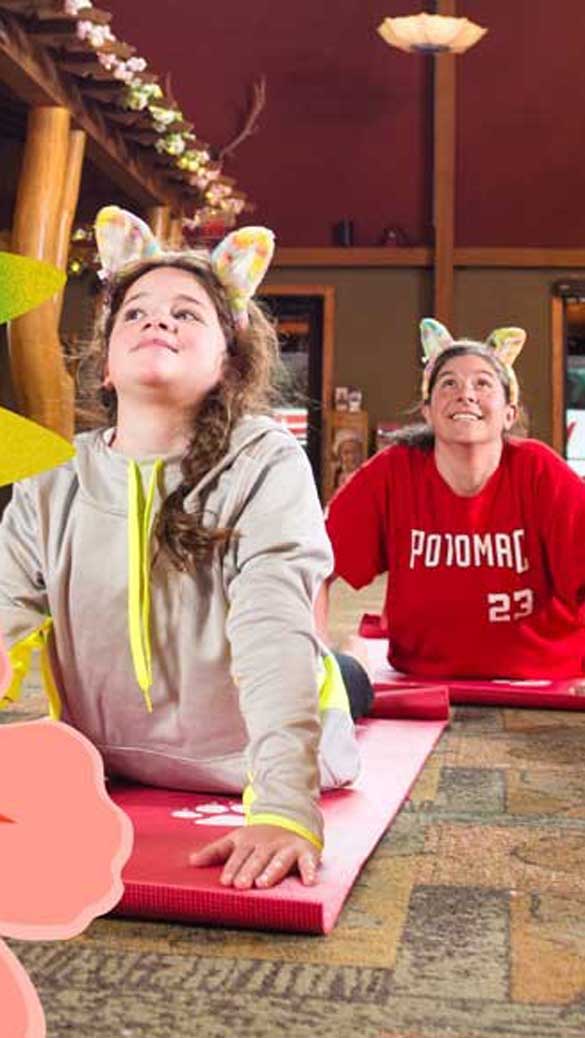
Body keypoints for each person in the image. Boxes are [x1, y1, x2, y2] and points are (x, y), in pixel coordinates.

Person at [0, 207, 361, 891]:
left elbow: (273, 629)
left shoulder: (265, 463)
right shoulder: (53, 479)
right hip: (109, 755)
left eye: (186, 314)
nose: (156, 321)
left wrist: (283, 807)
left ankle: (345, 679)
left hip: (241, 755)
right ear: (104, 366)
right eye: (134, 312)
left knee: (338, 677)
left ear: (228, 363)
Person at [320, 318, 585, 681]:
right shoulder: (393, 472)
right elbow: (312, 562)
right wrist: (311, 659)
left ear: (509, 413)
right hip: (420, 679)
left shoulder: (540, 471)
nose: (466, 394)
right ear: (428, 412)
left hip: (544, 680)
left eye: (482, 383)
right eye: (449, 383)